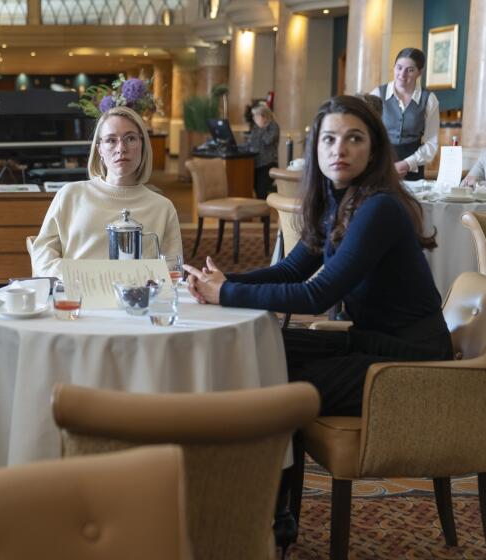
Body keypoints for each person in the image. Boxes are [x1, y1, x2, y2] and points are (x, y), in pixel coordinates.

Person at [183, 96, 453, 553]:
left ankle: (274, 517)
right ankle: (267, 508)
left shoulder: (379, 208)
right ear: (316, 147)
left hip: (413, 361)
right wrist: (225, 281)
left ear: (374, 149)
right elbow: (292, 270)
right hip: (376, 344)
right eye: (329, 139)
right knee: (269, 350)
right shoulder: (336, 199)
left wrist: (226, 294)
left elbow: (316, 295)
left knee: (275, 376)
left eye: (353, 138)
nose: (339, 149)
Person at [31, 105, 183, 277]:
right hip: (76, 298)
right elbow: (42, 256)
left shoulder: (162, 207)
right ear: (99, 150)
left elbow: (173, 269)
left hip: (136, 300)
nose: (121, 148)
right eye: (111, 140)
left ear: (142, 145)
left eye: (130, 138)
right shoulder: (70, 195)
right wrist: (82, 277)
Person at [371, 47, 439, 180]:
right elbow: (368, 133)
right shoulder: (377, 94)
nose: (402, 75)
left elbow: (432, 142)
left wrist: (408, 163)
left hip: (413, 168)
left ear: (420, 72)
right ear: (394, 67)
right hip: (381, 165)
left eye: (410, 70)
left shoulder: (429, 99)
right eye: (399, 67)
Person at [247, 102, 280, 199]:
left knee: (261, 190)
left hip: (268, 165)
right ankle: (262, 213)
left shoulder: (273, 126)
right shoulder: (256, 127)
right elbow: (251, 142)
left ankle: (265, 214)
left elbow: (267, 140)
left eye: (256, 116)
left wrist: (262, 128)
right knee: (256, 191)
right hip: (256, 164)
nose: (254, 118)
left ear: (264, 116)